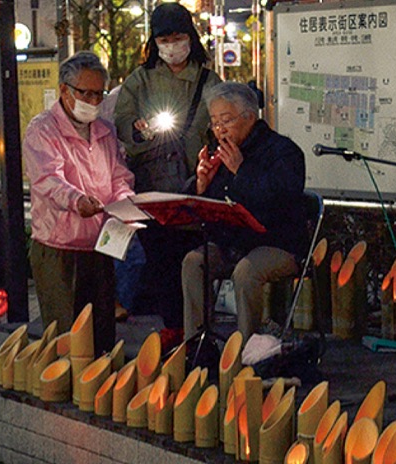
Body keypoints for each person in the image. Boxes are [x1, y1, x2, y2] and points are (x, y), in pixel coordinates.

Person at [114, 1, 219, 327]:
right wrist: (139, 130)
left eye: (177, 37)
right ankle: (174, 329)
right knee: (161, 263)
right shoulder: (139, 80)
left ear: (190, 36)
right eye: (164, 39)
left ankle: (197, 329)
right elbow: (122, 122)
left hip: (196, 187)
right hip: (154, 187)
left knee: (193, 262)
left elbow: (221, 125)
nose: (172, 46)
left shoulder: (208, 80)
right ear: (154, 42)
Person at [24, 51, 134, 354]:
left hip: (99, 244)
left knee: (101, 333)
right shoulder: (43, 129)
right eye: (85, 93)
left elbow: (119, 177)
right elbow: (47, 180)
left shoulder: (105, 130)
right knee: (66, 337)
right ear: (64, 90)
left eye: (99, 93)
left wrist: (124, 203)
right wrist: (77, 201)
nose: (93, 101)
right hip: (58, 246)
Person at [181, 82, 306, 340]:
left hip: (276, 243)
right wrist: (200, 184)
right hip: (231, 243)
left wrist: (242, 171)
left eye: (226, 120)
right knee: (194, 262)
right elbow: (204, 207)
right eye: (214, 122)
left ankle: (249, 348)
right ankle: (196, 343)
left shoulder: (283, 151)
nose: (219, 129)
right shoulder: (222, 151)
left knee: (247, 271)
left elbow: (282, 199)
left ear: (249, 116)